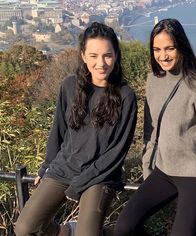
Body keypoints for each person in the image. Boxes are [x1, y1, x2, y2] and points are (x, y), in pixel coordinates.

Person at [114, 18, 196, 236]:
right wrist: (147, 165)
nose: (163, 55)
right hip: (164, 170)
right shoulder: (153, 80)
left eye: (169, 48)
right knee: (123, 228)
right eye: (157, 49)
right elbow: (151, 130)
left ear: (181, 47)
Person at [15, 22, 137, 236]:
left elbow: (117, 151)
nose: (101, 63)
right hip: (65, 167)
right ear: (83, 56)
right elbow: (58, 131)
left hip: (101, 175)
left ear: (116, 55)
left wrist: (79, 183)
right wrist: (46, 167)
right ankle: (66, 232)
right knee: (25, 228)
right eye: (93, 55)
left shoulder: (125, 95)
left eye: (107, 55)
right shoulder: (69, 86)